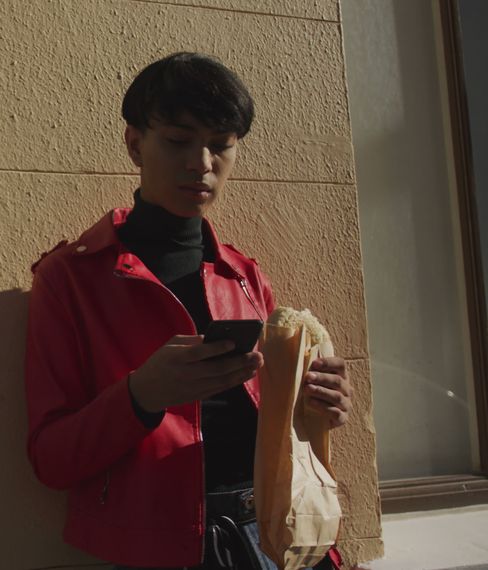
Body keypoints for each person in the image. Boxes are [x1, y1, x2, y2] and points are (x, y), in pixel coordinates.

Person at [24, 52, 353, 570]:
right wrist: (141, 396)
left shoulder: (243, 275)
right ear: (135, 143)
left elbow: (277, 433)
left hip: (270, 536)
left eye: (221, 145)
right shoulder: (71, 279)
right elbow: (51, 458)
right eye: (179, 140)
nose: (201, 163)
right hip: (157, 551)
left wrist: (317, 408)